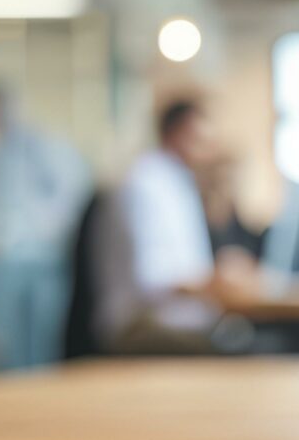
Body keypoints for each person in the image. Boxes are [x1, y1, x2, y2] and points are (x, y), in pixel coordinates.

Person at [98, 98, 235, 353]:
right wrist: (214, 283)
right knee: (233, 354)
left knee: (243, 342)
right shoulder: (145, 184)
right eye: (200, 141)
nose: (209, 151)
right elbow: (152, 280)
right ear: (177, 135)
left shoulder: (176, 183)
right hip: (141, 327)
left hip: (179, 324)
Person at [0, 84, 89, 369]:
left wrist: (43, 233)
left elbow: (69, 195)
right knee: (8, 347)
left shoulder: (42, 146)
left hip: (42, 259)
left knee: (43, 345)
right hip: (7, 261)